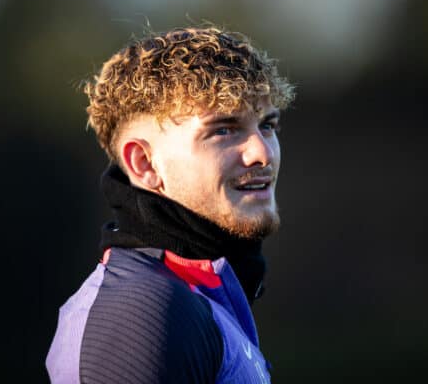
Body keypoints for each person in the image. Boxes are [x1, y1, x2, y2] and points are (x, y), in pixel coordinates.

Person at [46, 26, 295, 383]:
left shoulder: (194, 298)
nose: (263, 153)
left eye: (267, 125)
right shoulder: (138, 311)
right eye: (224, 129)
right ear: (144, 164)